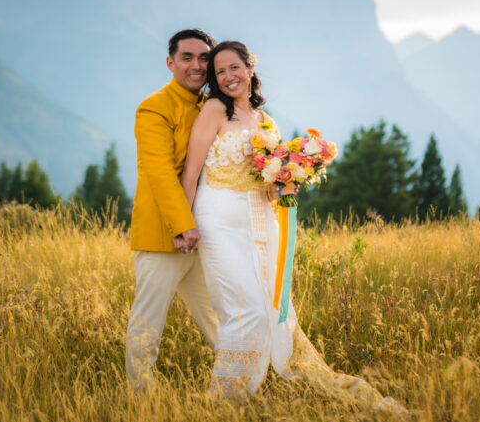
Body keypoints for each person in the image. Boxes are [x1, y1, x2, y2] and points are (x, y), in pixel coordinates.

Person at [180, 41, 404, 412]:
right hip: (217, 217)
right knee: (245, 309)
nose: (227, 77)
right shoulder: (214, 111)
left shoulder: (266, 122)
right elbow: (191, 171)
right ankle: (222, 403)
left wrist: (286, 180)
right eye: (219, 72)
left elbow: (267, 188)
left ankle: (251, 394)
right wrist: (183, 224)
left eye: (234, 67)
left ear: (251, 67)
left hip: (260, 218)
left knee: (271, 308)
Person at [125, 29, 220, 391]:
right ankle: (142, 400)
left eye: (203, 58)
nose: (196, 66)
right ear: (170, 63)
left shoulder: (211, 104)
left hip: (204, 235)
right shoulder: (154, 107)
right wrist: (182, 226)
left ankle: (237, 387)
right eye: (187, 57)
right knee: (147, 324)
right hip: (165, 235)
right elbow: (160, 173)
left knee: (219, 320)